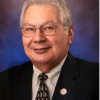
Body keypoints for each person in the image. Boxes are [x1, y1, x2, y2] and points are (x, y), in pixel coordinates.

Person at [0, 0, 99, 100]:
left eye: (48, 28)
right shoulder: (4, 81)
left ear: (69, 34)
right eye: (30, 29)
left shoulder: (95, 79)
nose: (38, 38)